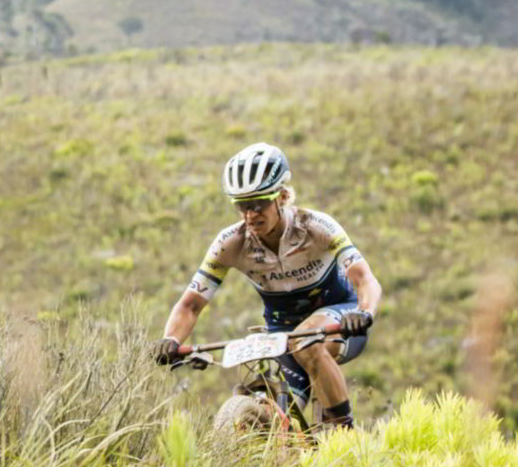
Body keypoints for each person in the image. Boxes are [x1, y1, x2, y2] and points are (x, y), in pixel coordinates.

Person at [148, 142, 380, 429]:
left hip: (340, 318)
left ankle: (346, 436)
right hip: (281, 332)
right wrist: (171, 340)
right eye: (242, 206)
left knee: (305, 341)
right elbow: (191, 304)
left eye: (258, 204)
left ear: (282, 197)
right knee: (279, 414)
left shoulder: (317, 226)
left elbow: (364, 278)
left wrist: (365, 312)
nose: (250, 215)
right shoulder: (231, 243)